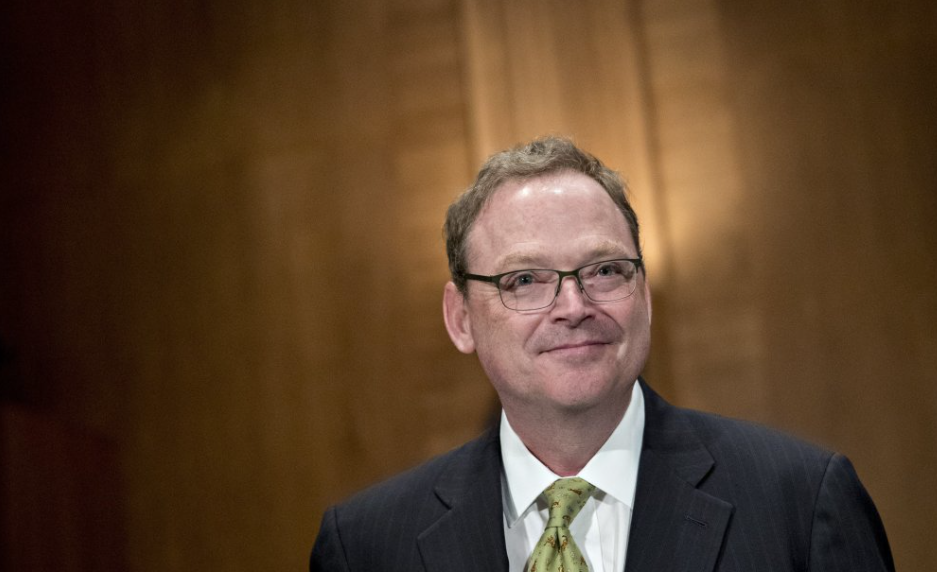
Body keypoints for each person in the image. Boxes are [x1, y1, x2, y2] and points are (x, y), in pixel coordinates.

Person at [310, 137, 894, 571]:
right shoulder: (364, 546)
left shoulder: (801, 503)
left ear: (644, 294)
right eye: (524, 280)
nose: (573, 306)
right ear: (460, 318)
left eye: (605, 270)